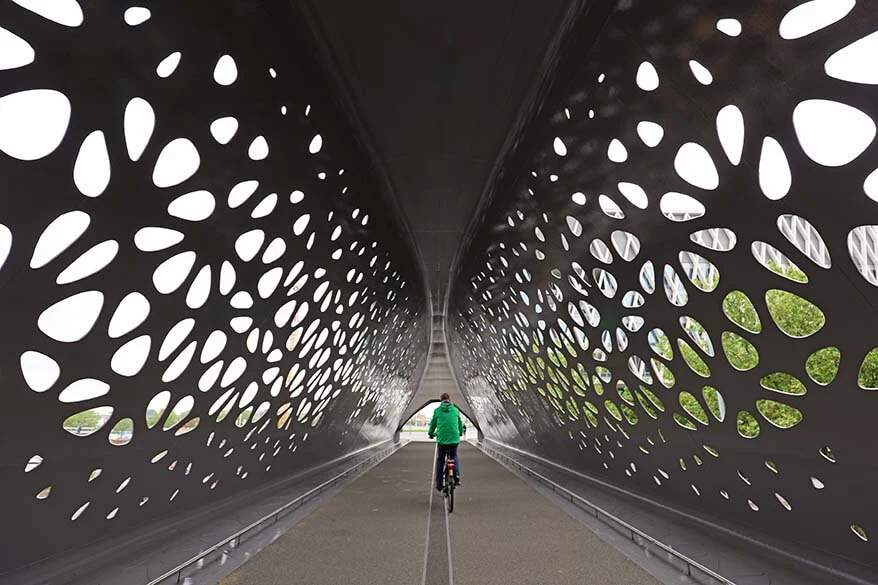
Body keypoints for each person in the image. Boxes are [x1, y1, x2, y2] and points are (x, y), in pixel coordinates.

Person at [428, 393, 466, 491]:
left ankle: (439, 483)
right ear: (449, 399)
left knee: (440, 460)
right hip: (454, 439)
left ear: (441, 401)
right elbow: (460, 424)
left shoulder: (437, 411)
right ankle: (456, 475)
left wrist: (431, 434)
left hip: (442, 440)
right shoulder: (455, 410)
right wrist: (461, 433)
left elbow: (433, 424)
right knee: (454, 456)